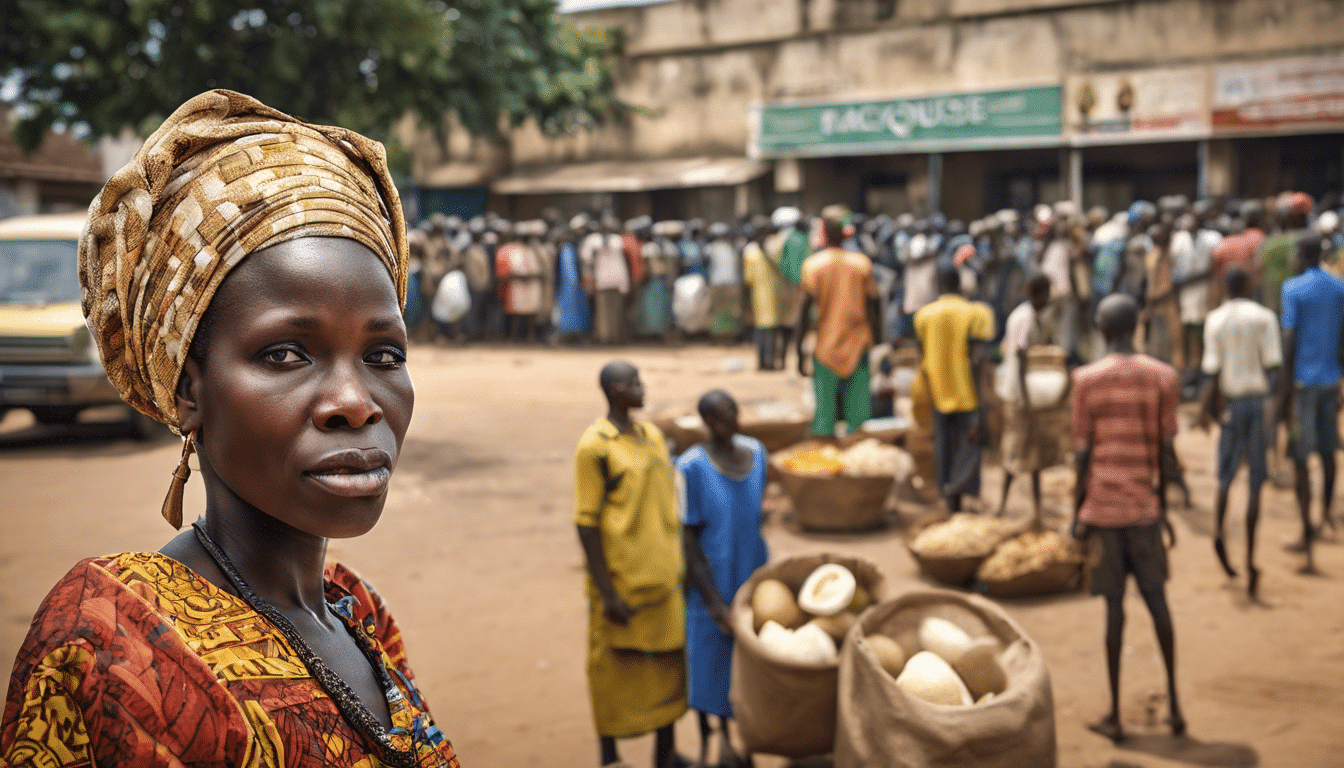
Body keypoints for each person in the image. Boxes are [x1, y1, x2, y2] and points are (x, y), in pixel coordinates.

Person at [0, 90, 460, 767]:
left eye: (383, 355)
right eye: (285, 354)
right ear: (189, 389)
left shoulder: (360, 617)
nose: (355, 401)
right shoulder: (113, 645)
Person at [1071, 294, 1183, 744]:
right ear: (1136, 327)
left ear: (1101, 329)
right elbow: (1167, 452)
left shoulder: (1085, 380)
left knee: (1113, 613)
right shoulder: (1163, 377)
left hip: (1103, 512)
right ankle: (1176, 705)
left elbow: (1083, 455)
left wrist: (1078, 514)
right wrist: (1166, 511)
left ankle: (1115, 714)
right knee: (1158, 606)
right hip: (1145, 513)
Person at [574, 361, 688, 768]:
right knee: (613, 671)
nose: (643, 388)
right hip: (623, 583)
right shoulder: (595, 447)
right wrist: (607, 592)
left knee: (667, 667)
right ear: (615, 390)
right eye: (634, 383)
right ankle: (610, 757)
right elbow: (586, 524)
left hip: (664, 576)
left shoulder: (653, 436)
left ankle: (666, 752)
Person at [677, 390, 769, 768]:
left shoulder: (757, 453)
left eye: (733, 411)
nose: (731, 420)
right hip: (710, 579)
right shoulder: (691, 467)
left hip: (750, 570)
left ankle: (742, 742)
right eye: (721, 415)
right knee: (708, 661)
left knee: (746, 662)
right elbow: (688, 539)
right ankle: (711, 742)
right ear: (709, 422)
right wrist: (713, 601)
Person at [1198, 267, 1281, 597]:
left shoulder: (1215, 320)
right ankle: (1249, 559)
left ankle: (1219, 533)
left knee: (1225, 477)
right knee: (1256, 484)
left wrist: (1209, 410)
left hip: (1231, 406)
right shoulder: (1263, 317)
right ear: (1248, 284)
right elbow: (1273, 365)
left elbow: (1212, 372)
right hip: (1257, 404)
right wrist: (1275, 410)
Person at [1276, 233, 1344, 573]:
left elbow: (1289, 340)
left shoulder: (1293, 289)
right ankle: (1326, 515)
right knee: (1329, 450)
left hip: (1302, 384)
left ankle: (1306, 531)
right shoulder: (1338, 287)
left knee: (1301, 457)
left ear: (1302, 255)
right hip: (1331, 380)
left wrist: (1282, 393)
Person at [914, 263, 995, 512]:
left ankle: (950, 497)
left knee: (944, 447)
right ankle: (958, 491)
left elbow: (921, 354)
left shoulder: (924, 316)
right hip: (967, 393)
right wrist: (986, 402)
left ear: (938, 285)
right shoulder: (975, 313)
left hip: (938, 392)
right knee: (970, 447)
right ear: (960, 284)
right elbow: (979, 358)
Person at [796, 205, 881, 437]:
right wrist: (880, 340)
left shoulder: (814, 265)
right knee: (858, 417)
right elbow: (875, 304)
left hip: (826, 346)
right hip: (858, 345)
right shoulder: (861, 264)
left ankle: (827, 463)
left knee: (825, 416)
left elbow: (804, 312)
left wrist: (797, 351)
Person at [996, 273, 1066, 521]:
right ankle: (1002, 507)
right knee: (1017, 449)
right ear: (1038, 294)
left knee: (1032, 454)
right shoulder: (1025, 318)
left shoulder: (1028, 315)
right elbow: (1022, 356)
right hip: (1020, 395)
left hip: (1019, 391)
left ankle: (1034, 510)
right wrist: (1029, 401)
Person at [742, 216, 783, 370]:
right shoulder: (771, 249)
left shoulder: (751, 250)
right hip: (767, 295)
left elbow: (748, 278)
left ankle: (765, 362)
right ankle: (766, 362)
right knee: (767, 331)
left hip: (762, 296)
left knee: (763, 330)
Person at [584, 219, 631, 345]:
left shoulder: (617, 241)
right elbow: (587, 261)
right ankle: (604, 338)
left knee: (616, 312)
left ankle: (615, 338)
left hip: (616, 280)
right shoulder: (593, 241)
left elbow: (622, 263)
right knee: (602, 312)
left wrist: (624, 284)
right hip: (601, 281)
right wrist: (589, 279)